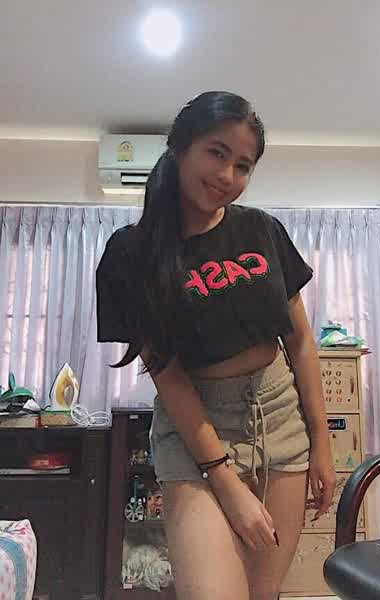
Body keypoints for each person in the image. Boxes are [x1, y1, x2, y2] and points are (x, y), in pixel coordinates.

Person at [96, 91, 336, 600]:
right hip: (196, 427)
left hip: (279, 417)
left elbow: (300, 341)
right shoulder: (130, 254)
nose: (228, 175)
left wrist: (321, 440)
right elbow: (167, 375)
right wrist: (223, 478)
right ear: (180, 147)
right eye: (217, 152)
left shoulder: (262, 229)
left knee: (263, 593)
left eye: (243, 165)